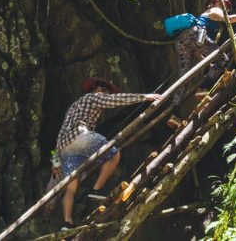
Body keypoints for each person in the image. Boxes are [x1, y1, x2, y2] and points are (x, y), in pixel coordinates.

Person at [53, 78, 160, 229]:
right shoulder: (93, 97)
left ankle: (67, 223)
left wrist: (56, 162)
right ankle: (96, 190)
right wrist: (144, 97)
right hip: (80, 136)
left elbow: (59, 136)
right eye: (106, 90)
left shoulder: (73, 106)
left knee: (71, 186)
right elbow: (115, 100)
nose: (107, 93)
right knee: (113, 154)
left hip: (65, 148)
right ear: (99, 88)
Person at [168, 0, 236, 123]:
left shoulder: (205, 14)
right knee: (223, 59)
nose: (226, 8)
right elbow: (228, 19)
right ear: (214, 3)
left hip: (182, 39)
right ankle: (203, 88)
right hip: (196, 34)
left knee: (184, 77)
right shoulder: (215, 9)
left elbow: (197, 50)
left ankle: (175, 114)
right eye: (225, 5)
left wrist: (209, 62)